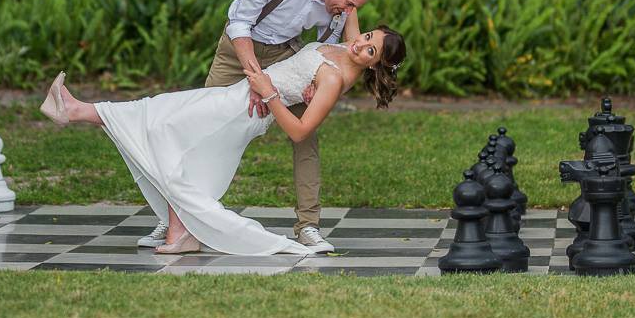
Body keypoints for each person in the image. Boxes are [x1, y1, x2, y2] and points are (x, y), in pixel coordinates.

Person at [39, 27, 405, 254]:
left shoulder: (334, 79)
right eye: (367, 36)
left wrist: (269, 92)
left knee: (164, 120)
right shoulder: (345, 47)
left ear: (375, 65)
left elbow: (300, 131)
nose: (361, 44)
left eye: (371, 50)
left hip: (246, 109)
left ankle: (76, 111)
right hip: (238, 94)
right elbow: (351, 4)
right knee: (169, 123)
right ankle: (181, 232)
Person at [180, 0, 379, 253]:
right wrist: (257, 79)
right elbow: (240, 22)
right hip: (239, 47)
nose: (351, 13)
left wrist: (314, 83)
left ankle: (308, 226)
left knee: (306, 137)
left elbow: (332, 51)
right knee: (203, 127)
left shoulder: (339, 8)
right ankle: (176, 217)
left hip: (286, 57)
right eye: (350, 4)